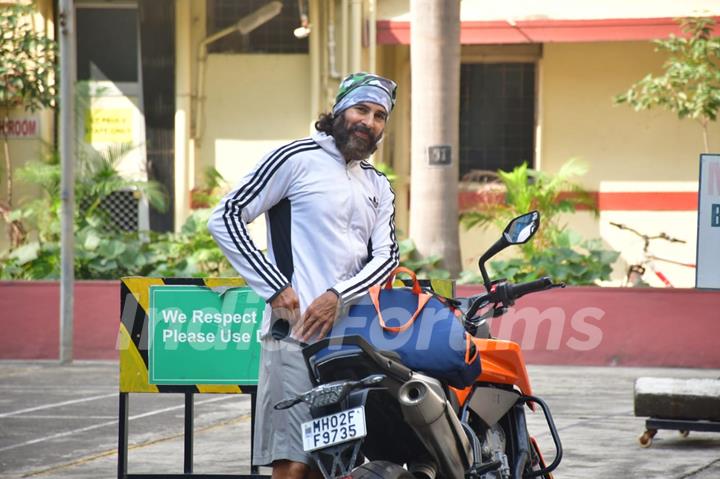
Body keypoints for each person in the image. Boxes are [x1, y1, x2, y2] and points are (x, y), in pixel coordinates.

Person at [207, 72, 400, 479]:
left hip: (352, 344)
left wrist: (337, 295)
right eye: (361, 109)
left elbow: (387, 258)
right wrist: (275, 287)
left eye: (380, 115)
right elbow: (226, 217)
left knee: (335, 462)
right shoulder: (295, 159)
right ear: (339, 111)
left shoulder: (378, 186)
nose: (369, 121)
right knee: (293, 462)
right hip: (293, 337)